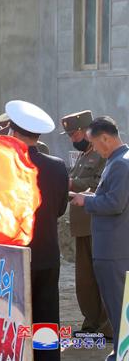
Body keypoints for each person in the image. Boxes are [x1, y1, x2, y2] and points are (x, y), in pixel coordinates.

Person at [7, 100, 68, 361]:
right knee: (46, 316)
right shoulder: (57, 165)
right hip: (47, 252)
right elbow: (60, 208)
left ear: (12, 132)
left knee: (15, 319)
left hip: (13, 255)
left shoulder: (6, 166)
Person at [71, 116, 129, 361]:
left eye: (95, 143)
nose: (94, 148)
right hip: (114, 245)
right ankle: (120, 351)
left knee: (117, 305)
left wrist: (87, 200)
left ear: (106, 138)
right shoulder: (117, 160)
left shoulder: (120, 164)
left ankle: (123, 353)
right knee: (117, 305)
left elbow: (115, 203)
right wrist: (93, 195)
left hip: (114, 248)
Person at [60, 111, 112, 338]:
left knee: (100, 276)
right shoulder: (83, 155)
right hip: (81, 225)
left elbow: (100, 184)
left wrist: (73, 182)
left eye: (75, 133)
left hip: (96, 224)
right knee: (84, 280)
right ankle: (91, 323)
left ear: (87, 131)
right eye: (70, 135)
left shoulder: (102, 154)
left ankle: (106, 327)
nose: (73, 138)